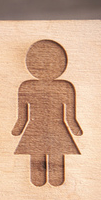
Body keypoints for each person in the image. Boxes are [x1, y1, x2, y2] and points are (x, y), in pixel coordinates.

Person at [11, 39, 82, 186]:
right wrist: (18, 128)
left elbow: (70, 115)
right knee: (36, 170)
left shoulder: (65, 87)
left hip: (54, 128)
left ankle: (54, 186)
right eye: (41, 64)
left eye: (50, 63)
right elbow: (22, 115)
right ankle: (38, 185)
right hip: (37, 128)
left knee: (56, 167)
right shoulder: (26, 87)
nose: (46, 67)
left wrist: (75, 128)